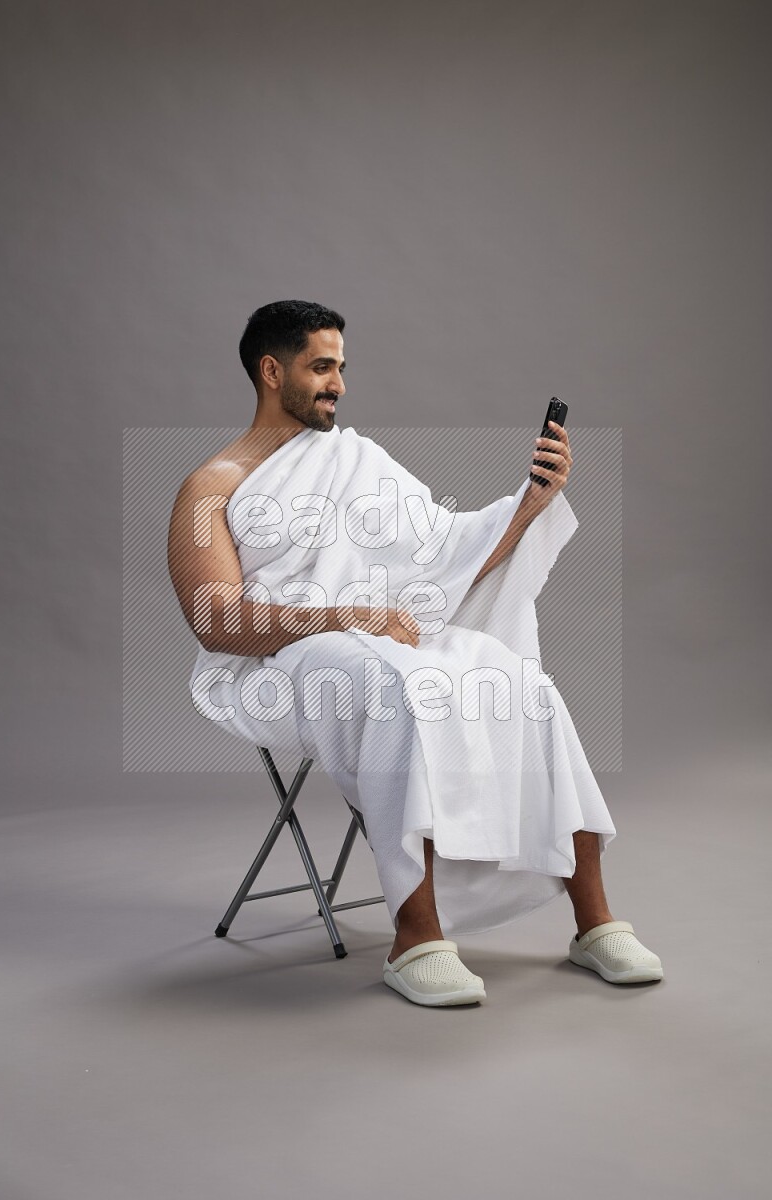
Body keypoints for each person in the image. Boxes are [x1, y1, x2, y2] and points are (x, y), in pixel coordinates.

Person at [167, 299, 663, 1007]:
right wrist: (343, 615)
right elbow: (216, 620)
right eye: (321, 366)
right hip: (279, 663)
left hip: (379, 634)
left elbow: (442, 551)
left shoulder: (356, 459)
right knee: (393, 687)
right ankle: (416, 938)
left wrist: (531, 501)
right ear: (271, 371)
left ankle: (595, 923)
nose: (338, 382)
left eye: (341, 366)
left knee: (516, 682)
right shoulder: (209, 488)